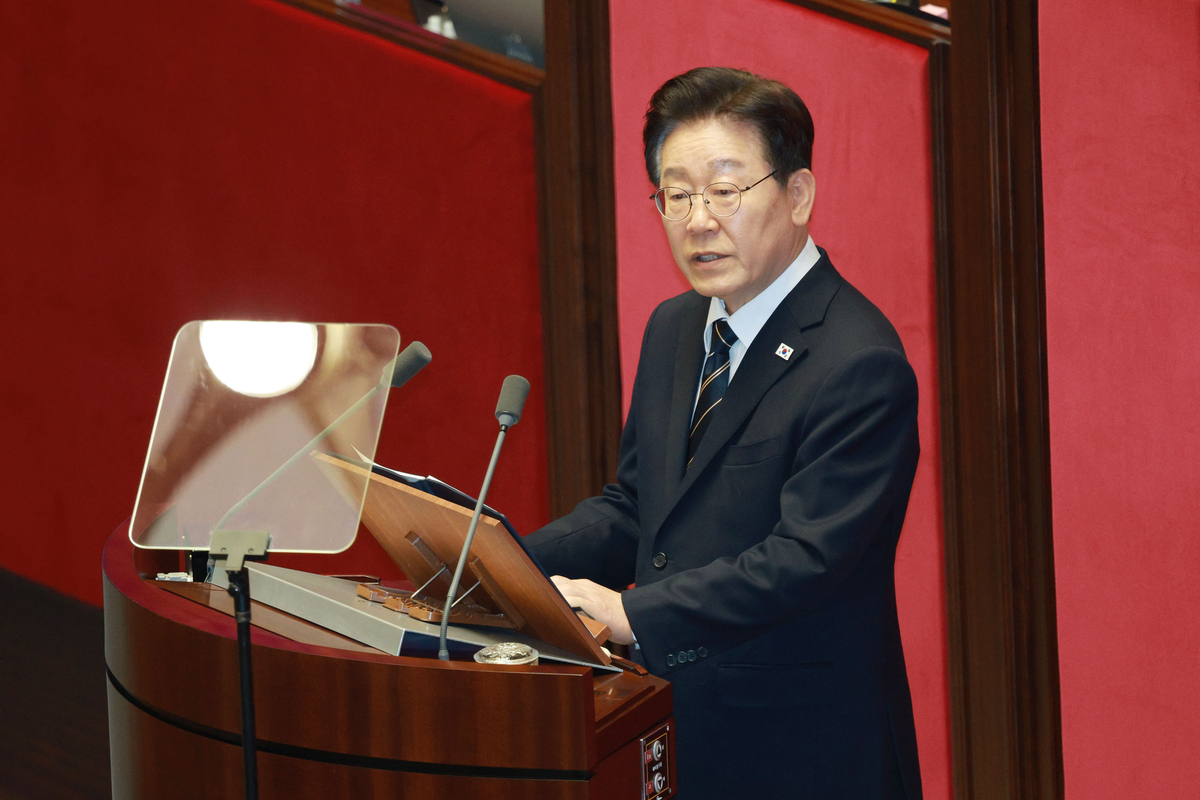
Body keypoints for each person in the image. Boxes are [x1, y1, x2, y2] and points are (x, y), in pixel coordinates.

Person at [524, 67, 923, 799]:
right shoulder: (676, 327)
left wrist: (629, 612)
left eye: (725, 190)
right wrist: (501, 564)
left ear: (797, 195)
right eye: (676, 195)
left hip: (803, 751)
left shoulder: (858, 361)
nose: (699, 220)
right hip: (677, 729)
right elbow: (639, 508)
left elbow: (803, 560)